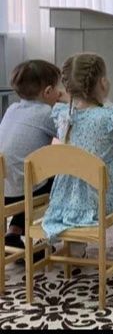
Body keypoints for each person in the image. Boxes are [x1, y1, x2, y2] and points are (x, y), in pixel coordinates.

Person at [43, 53, 113, 280]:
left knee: (83, 185)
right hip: (98, 202)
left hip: (63, 201)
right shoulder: (108, 118)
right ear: (103, 82)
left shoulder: (62, 115)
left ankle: (76, 249)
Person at [0, 60, 63, 252]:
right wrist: (67, 102)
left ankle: (14, 231)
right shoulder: (47, 113)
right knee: (64, 176)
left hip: (3, 191)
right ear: (48, 91)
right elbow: (72, 134)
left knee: (26, 173)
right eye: (58, 88)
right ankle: (46, 239)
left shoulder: (12, 109)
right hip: (23, 193)